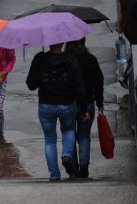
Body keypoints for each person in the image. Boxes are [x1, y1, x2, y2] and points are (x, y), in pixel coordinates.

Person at [26, 43, 90, 181]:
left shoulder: (40, 58)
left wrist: (39, 66)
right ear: (62, 43)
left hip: (46, 105)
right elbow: (79, 84)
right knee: (68, 130)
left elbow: (31, 84)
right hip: (67, 104)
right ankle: (66, 155)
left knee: (49, 140)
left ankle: (54, 174)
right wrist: (84, 107)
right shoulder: (71, 59)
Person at [65, 38, 104, 178]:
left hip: (67, 104)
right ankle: (84, 165)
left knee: (69, 133)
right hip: (87, 102)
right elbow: (99, 82)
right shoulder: (90, 59)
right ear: (84, 41)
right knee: (84, 135)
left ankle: (73, 168)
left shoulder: (64, 60)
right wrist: (100, 102)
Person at [117, 0, 137, 88]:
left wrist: (119, 29)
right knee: (136, 53)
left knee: (135, 51)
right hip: (135, 30)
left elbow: (121, 14)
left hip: (128, 29)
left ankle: (125, 77)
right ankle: (124, 77)